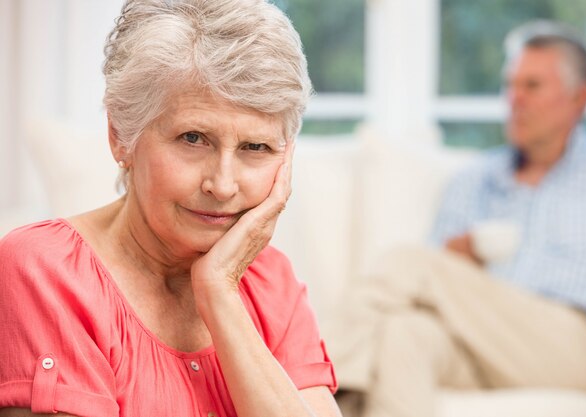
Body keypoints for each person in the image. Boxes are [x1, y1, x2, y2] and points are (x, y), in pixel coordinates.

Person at [0, 1, 341, 416]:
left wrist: (219, 292)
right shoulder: (44, 271)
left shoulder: (271, 282)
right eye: (193, 138)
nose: (223, 185)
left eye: (256, 147)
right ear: (121, 135)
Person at [327, 20, 586, 417]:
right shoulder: (474, 180)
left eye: (532, 86)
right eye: (510, 85)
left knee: (410, 263)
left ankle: (308, 391)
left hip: (582, 345)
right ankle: (325, 396)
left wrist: (441, 270)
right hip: (486, 342)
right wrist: (457, 260)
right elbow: (430, 287)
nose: (514, 99)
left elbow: (425, 273)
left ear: (580, 98)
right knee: (403, 335)